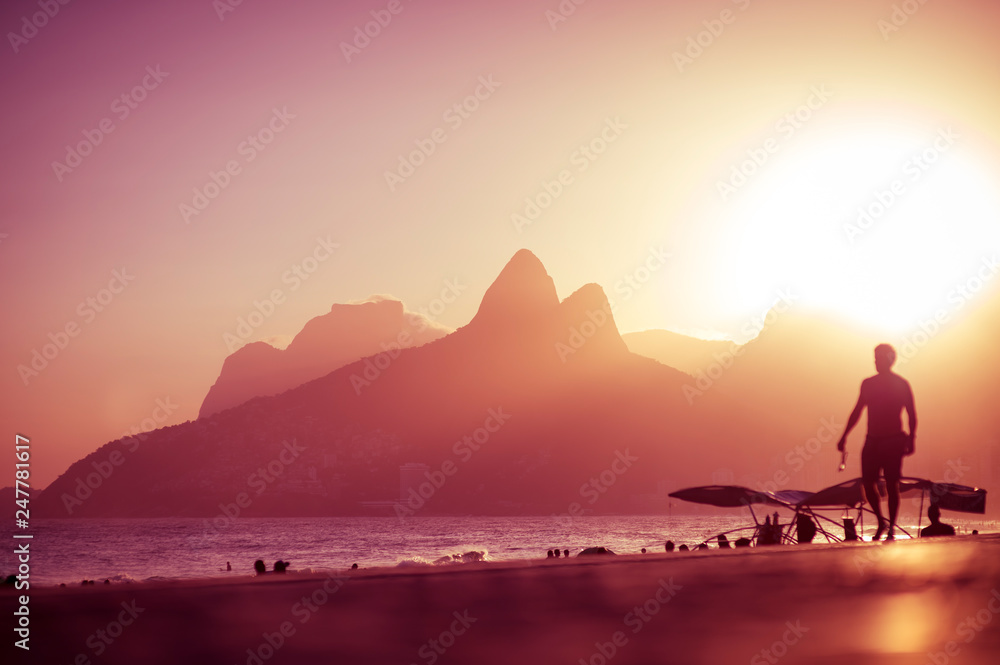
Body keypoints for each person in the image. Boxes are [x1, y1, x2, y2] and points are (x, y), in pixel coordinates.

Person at [837, 344, 916, 541]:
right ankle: (881, 521)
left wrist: (911, 438)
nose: (875, 361)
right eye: (874, 357)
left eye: (879, 357)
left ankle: (891, 528)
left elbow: (912, 413)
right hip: (872, 441)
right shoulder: (867, 384)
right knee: (867, 482)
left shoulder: (901, 384)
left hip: (894, 440)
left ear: (889, 359)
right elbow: (857, 411)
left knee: (892, 484)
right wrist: (844, 435)